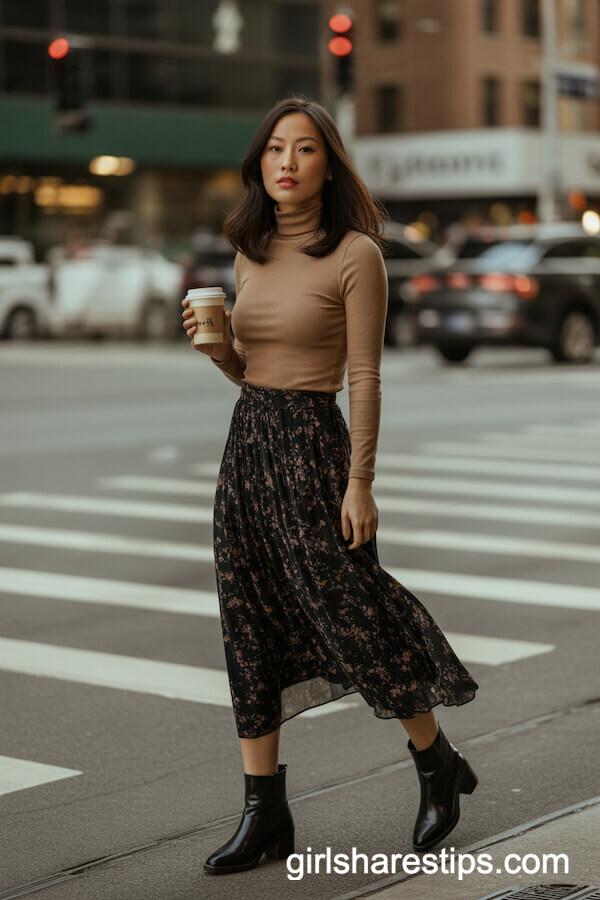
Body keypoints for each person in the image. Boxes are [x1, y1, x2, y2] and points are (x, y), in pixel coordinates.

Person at [181, 96, 480, 877]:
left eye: (304, 149)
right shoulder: (247, 252)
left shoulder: (356, 254)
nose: (286, 162)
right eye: (275, 148)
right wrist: (218, 356)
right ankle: (264, 812)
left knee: (354, 612)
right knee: (247, 620)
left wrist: (361, 483)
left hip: (316, 447)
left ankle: (435, 760)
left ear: (327, 164)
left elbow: (364, 375)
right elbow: (252, 371)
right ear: (261, 163)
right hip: (248, 442)